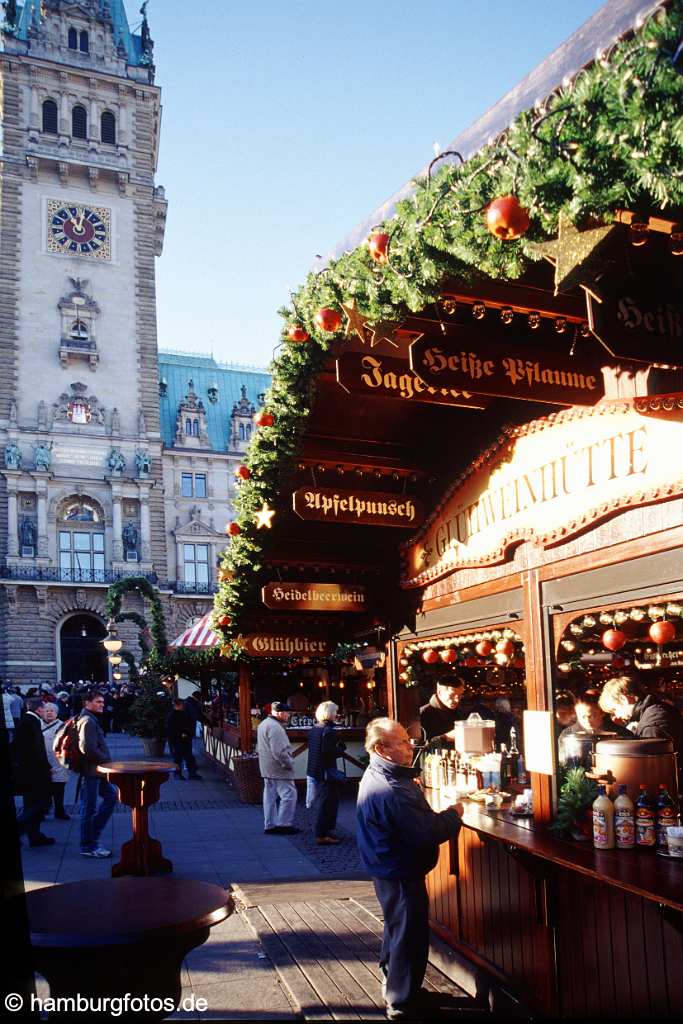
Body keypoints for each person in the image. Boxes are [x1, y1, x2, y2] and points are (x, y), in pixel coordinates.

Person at [357, 718, 463, 1020]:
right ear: (381, 748)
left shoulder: (381, 774)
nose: (410, 745)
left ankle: (399, 988)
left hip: (388, 865)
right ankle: (402, 1004)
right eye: (402, 742)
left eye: (408, 739)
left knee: (398, 930)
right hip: (399, 868)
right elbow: (426, 832)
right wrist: (453, 814)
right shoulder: (390, 788)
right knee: (408, 935)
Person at [599, 674, 683, 764]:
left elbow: (656, 767)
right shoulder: (657, 709)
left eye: (614, 709)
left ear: (624, 699)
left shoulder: (651, 726)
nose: (617, 716)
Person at [77, 689, 117, 858]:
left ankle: (91, 835)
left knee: (111, 797)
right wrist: (106, 761)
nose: (102, 704)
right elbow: (88, 749)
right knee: (89, 808)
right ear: (87, 703)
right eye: (98, 702)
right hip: (92, 771)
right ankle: (88, 845)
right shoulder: (87, 721)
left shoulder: (90, 719)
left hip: (97, 771)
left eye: (102, 702)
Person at [11, 696, 55, 847]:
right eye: (44, 708)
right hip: (34, 772)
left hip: (28, 770)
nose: (46, 711)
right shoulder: (32, 722)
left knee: (32, 803)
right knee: (39, 803)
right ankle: (23, 830)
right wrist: (46, 767)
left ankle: (34, 836)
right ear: (38, 709)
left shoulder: (26, 720)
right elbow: (37, 750)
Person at [256, 700, 299, 835]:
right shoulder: (276, 727)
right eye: (287, 713)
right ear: (280, 713)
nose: (288, 715)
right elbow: (279, 752)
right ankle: (283, 824)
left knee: (269, 796)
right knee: (289, 795)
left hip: (267, 766)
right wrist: (288, 764)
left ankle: (270, 824)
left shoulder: (264, 724)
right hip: (278, 768)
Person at [558, 689, 630, 769]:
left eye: (591, 716)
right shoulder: (567, 735)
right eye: (582, 717)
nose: (587, 721)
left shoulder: (621, 734)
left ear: (602, 713)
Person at [306, 700, 346, 845]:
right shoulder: (329, 731)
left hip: (315, 769)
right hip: (326, 771)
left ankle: (325, 831)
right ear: (330, 713)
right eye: (335, 711)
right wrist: (341, 749)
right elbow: (328, 752)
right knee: (328, 803)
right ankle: (322, 834)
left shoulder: (315, 728)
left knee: (325, 801)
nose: (337, 714)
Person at [40, 702, 70, 819]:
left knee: (59, 789)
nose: (49, 713)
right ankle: (43, 810)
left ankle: (59, 811)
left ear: (56, 713)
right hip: (42, 762)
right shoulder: (38, 725)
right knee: (43, 788)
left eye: (52, 711)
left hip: (58, 762)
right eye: (47, 710)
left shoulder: (63, 726)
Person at [419, 677, 467, 745]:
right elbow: (417, 749)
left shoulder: (458, 712)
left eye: (459, 696)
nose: (457, 700)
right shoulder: (423, 714)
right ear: (439, 693)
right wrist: (446, 737)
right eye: (452, 695)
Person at [166, 698, 202, 779]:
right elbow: (172, 729)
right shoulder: (174, 715)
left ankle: (189, 773)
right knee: (180, 757)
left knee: (186, 757)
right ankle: (180, 774)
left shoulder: (178, 714)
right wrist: (182, 734)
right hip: (179, 740)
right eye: (183, 704)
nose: (184, 706)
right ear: (179, 705)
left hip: (183, 739)